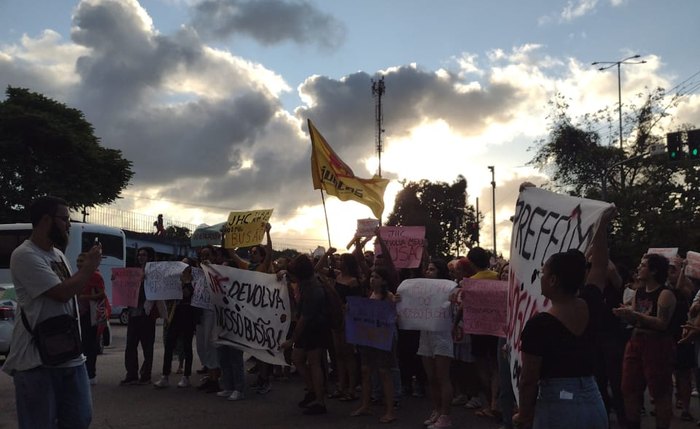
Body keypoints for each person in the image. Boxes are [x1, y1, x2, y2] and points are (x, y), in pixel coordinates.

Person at [2, 196, 102, 428]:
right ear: (46, 220)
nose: (68, 224)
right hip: (37, 361)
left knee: (80, 419)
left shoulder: (56, 255)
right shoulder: (25, 254)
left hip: (70, 355)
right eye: (65, 219)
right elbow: (61, 293)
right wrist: (89, 268)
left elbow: (71, 292)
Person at [513, 205, 614, 429]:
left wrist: (524, 415)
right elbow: (599, 265)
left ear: (553, 280)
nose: (540, 277)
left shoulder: (538, 326)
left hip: (558, 406)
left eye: (543, 272)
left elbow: (529, 380)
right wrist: (601, 226)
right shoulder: (591, 302)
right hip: (593, 400)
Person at [614, 252, 676, 429]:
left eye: (643, 265)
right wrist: (626, 314)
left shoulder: (665, 294)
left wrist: (634, 314)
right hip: (636, 342)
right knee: (629, 389)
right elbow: (635, 317)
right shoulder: (639, 291)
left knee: (660, 392)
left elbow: (662, 323)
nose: (639, 268)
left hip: (657, 346)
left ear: (654, 271)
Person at [280, 254, 331, 415]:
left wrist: (292, 340)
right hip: (310, 326)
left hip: (315, 328)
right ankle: (313, 391)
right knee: (298, 359)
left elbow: (304, 319)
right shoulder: (307, 281)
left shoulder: (313, 290)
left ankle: (320, 401)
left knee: (314, 363)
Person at [351, 266, 399, 423]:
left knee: (384, 372)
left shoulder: (389, 296)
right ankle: (365, 405)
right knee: (365, 371)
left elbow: (394, 317)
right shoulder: (369, 294)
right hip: (368, 337)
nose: (373, 279)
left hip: (382, 337)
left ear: (384, 280)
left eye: (377, 277)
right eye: (372, 276)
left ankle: (390, 410)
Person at [419, 258, 457, 429]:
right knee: (431, 377)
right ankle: (437, 409)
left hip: (441, 334)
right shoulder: (420, 290)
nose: (428, 272)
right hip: (425, 334)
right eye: (427, 269)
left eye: (432, 269)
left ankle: (445, 415)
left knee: (443, 377)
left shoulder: (450, 289)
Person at [153, 259, 197, 389]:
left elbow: (187, 293)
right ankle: (165, 375)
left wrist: (183, 283)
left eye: (184, 264)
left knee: (187, 345)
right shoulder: (175, 279)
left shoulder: (194, 280)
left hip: (188, 315)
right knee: (169, 343)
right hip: (175, 314)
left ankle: (186, 376)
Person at [121, 246, 160, 385]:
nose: (140, 257)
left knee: (147, 346)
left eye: (143, 255)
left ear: (149, 257)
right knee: (130, 344)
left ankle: (145, 374)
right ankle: (131, 373)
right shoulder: (134, 272)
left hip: (146, 313)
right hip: (134, 312)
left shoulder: (154, 273)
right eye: (139, 255)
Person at [77, 252, 106, 385]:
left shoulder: (95, 276)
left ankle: (91, 374)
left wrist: (85, 298)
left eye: (82, 261)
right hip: (78, 316)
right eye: (78, 261)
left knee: (90, 347)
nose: (79, 264)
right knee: (81, 346)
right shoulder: (76, 276)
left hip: (91, 316)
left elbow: (102, 294)